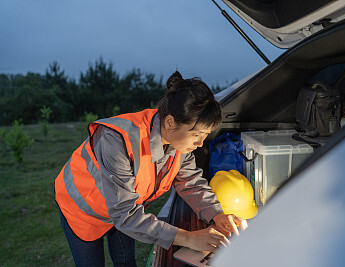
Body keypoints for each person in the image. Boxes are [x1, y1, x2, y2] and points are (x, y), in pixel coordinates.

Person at [55, 71, 247, 266]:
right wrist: (188, 238)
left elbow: (190, 182)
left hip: (124, 209)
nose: (200, 143)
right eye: (196, 134)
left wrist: (216, 213)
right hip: (83, 210)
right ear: (170, 121)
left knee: (126, 261)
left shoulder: (179, 140)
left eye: (205, 135)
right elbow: (125, 215)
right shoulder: (116, 141)